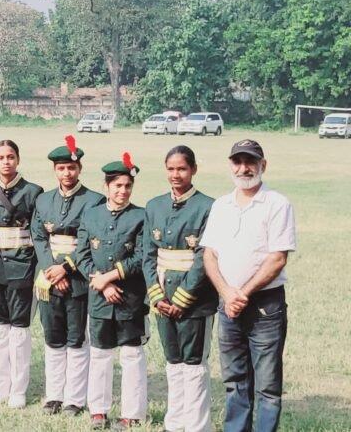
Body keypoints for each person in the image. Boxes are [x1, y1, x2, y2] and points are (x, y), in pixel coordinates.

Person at [201, 139, 295, 432]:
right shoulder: (221, 205)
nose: (244, 168)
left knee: (267, 385)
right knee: (235, 381)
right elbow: (209, 255)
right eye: (238, 162)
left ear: (262, 165)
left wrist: (241, 293)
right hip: (227, 304)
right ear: (231, 166)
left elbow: (277, 258)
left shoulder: (277, 204)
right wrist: (227, 293)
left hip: (265, 306)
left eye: (250, 162)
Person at [142, 145, 216, 432]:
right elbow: (148, 254)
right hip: (162, 297)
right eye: (171, 169)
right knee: (173, 362)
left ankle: (198, 425)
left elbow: (203, 258)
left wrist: (184, 297)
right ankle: (175, 423)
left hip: (195, 299)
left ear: (194, 169)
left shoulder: (208, 206)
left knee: (194, 363)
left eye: (182, 169)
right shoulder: (154, 205)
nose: (176, 174)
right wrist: (157, 295)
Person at [32, 135, 106, 416]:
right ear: (55, 170)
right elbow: (38, 238)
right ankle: (54, 395)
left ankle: (74, 398)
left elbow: (92, 242)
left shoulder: (95, 201)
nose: (67, 173)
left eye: (71, 168)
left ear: (80, 169)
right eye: (61, 168)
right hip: (49, 279)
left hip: (78, 279)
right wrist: (52, 269)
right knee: (53, 337)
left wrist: (66, 267)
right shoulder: (43, 200)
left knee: (76, 338)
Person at [75, 153, 148, 430]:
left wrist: (112, 276)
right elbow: (81, 254)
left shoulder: (141, 216)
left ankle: (132, 413)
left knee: (131, 356)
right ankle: (98, 410)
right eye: (117, 185)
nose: (123, 191)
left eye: (127, 186)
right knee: (100, 355)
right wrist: (102, 283)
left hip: (129, 298)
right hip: (99, 297)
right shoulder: (91, 214)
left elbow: (141, 256)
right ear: (106, 187)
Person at [0, 139, 44, 408]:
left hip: (23, 267)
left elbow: (38, 234)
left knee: (19, 331)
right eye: (1, 157)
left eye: (11, 156)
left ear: (18, 159)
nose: (6, 161)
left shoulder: (33, 192)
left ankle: (18, 390)